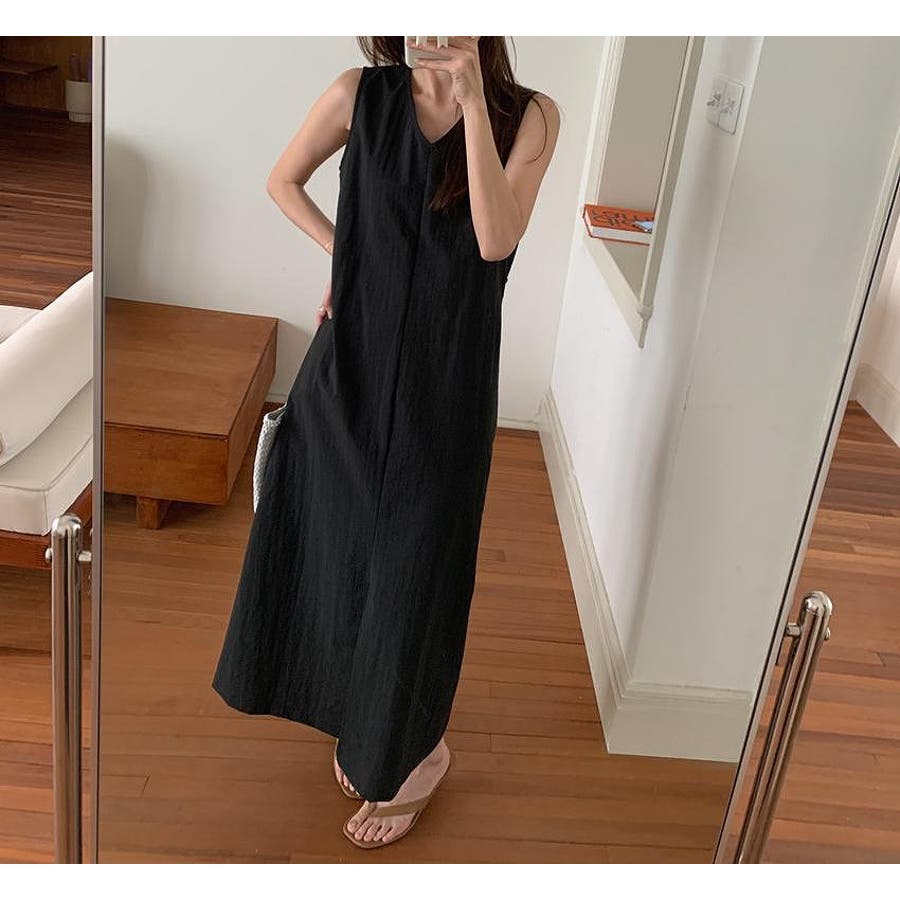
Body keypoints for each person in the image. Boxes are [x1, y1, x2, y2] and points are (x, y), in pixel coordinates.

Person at [212, 36, 560, 850]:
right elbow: (282, 180)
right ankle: (363, 723)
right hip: (351, 363)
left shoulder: (529, 116)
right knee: (332, 543)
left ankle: (419, 753)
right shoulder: (357, 95)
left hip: (448, 373)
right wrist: (344, 254)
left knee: (417, 566)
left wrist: (473, 106)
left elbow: (495, 241)